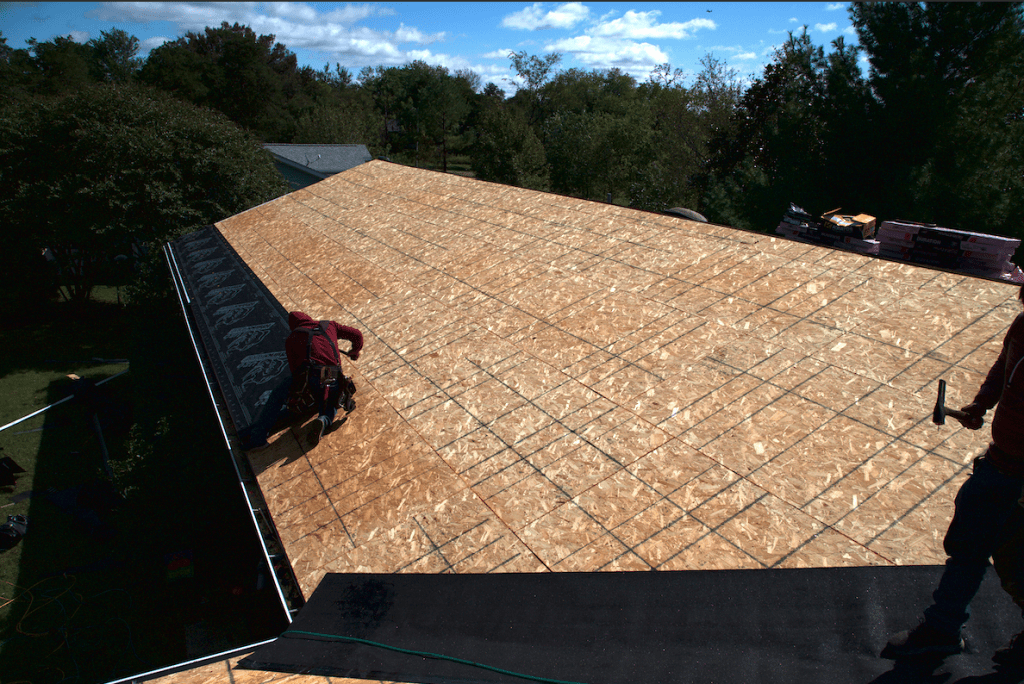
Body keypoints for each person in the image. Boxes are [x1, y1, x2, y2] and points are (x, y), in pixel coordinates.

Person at [885, 283, 1024, 663]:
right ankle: (943, 628)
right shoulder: (1023, 325)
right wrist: (980, 404)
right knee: (966, 547)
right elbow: (1003, 368)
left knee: (1015, 563)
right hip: (999, 464)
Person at [284, 311, 363, 446]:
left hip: (312, 376)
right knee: (331, 398)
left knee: (318, 394)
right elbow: (357, 334)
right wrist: (355, 350)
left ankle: (321, 409)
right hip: (332, 374)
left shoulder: (292, 338)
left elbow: (295, 370)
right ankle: (325, 418)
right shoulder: (329, 326)